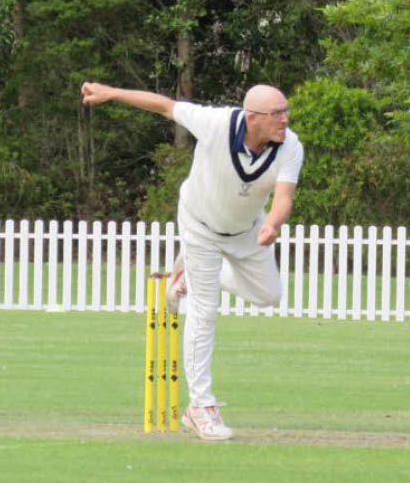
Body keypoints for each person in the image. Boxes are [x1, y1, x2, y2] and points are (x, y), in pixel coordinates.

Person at [80, 82, 304, 440]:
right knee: (204, 311)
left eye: (285, 111)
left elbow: (284, 196)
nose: (285, 119)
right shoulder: (215, 123)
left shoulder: (290, 145)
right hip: (200, 226)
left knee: (269, 295)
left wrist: (273, 225)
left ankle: (191, 275)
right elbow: (164, 105)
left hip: (249, 229)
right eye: (277, 113)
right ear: (252, 117)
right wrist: (111, 93)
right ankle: (200, 407)